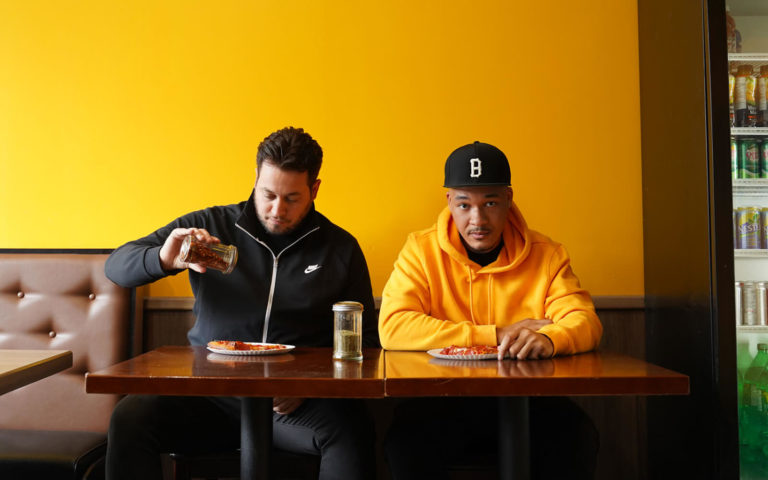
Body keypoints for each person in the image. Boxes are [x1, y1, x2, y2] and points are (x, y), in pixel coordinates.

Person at [104, 126, 379, 480]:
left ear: (314, 189)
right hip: (209, 397)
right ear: (255, 178)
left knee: (352, 433)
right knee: (130, 418)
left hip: (291, 408)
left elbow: (367, 344)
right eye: (268, 194)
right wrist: (164, 258)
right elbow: (116, 266)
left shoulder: (340, 248)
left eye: (292, 198)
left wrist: (309, 385)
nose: (277, 209)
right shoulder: (210, 226)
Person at [378, 141, 603, 479]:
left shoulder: (547, 254)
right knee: (405, 443)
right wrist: (496, 335)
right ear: (449, 202)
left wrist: (550, 339)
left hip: (529, 400)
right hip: (442, 399)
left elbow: (584, 320)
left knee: (576, 436)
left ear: (509, 199)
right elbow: (393, 327)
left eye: (491, 203)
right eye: (464, 204)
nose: (478, 219)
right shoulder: (420, 251)